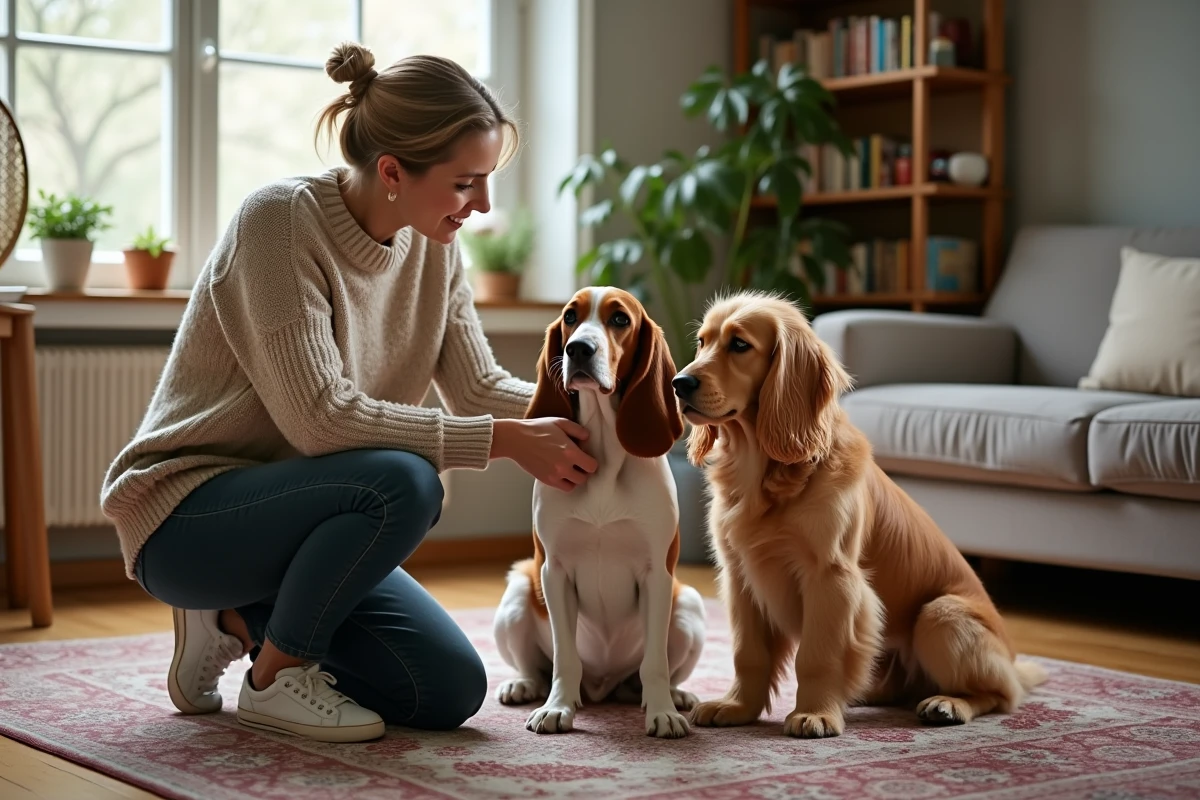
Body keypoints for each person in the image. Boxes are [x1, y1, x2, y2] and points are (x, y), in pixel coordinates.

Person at [100, 42, 598, 743]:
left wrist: (606, 406)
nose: (483, 205)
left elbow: (478, 386)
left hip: (302, 523)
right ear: (392, 171)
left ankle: (234, 620)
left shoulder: (436, 247)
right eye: (465, 183)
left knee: (447, 690)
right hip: (188, 521)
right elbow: (321, 420)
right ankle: (273, 679)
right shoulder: (278, 221)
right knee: (407, 480)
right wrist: (505, 441)